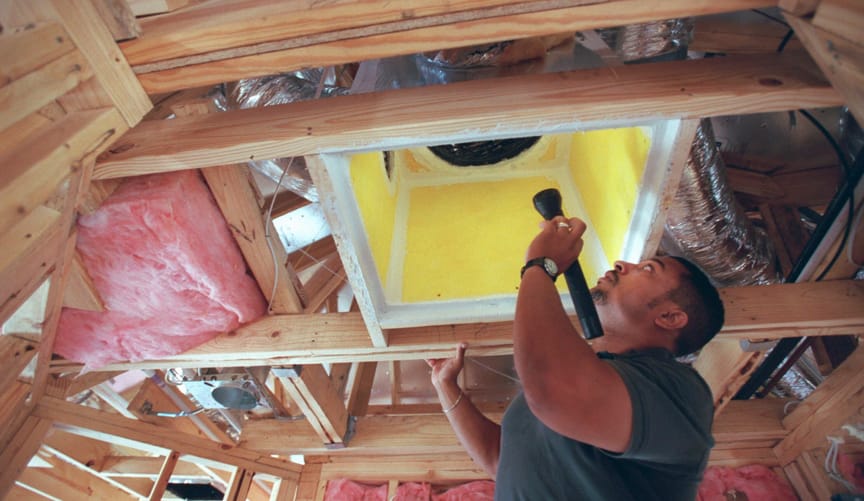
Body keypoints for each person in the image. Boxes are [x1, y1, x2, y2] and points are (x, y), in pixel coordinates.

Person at [427, 215, 724, 500]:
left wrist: (540, 266)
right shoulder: (572, 387)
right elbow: (503, 459)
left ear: (671, 317)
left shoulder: (681, 392)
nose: (622, 264)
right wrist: (446, 386)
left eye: (647, 269)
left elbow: (548, 396)